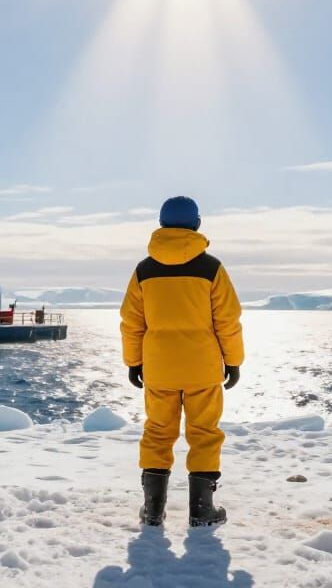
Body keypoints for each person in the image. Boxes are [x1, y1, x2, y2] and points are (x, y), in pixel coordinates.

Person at [120, 196, 244, 528]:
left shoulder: (144, 271)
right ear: (197, 225)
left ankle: (153, 511)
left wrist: (133, 362)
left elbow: (131, 322)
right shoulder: (211, 268)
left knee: (158, 432)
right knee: (204, 432)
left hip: (158, 367)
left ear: (161, 226)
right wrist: (233, 361)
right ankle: (202, 511)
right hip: (202, 367)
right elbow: (228, 321)